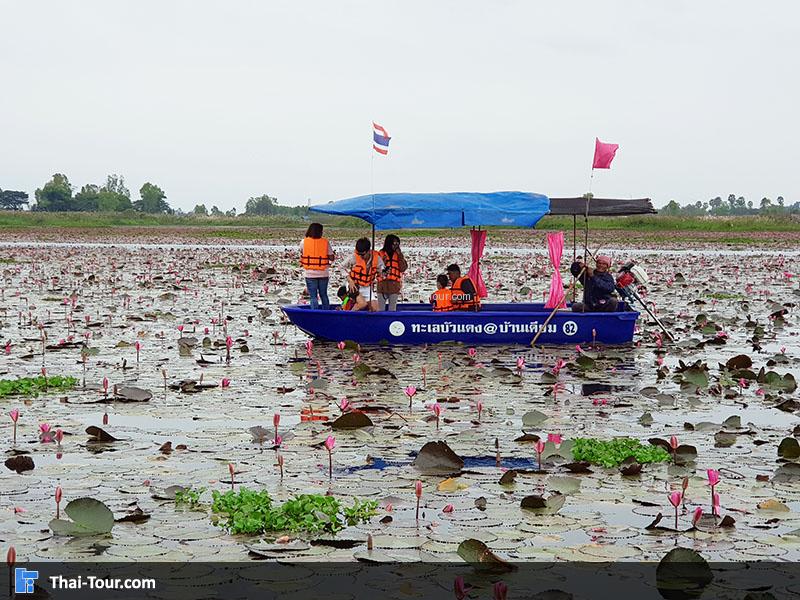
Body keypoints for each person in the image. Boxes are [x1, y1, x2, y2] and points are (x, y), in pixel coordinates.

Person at [341, 237, 385, 311]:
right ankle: (349, 315)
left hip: (366, 286)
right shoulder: (353, 257)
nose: (361, 256)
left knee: (376, 309)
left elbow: (382, 271)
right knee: (362, 304)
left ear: (368, 251)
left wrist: (383, 273)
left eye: (363, 254)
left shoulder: (377, 259)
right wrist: (350, 281)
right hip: (354, 285)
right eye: (359, 254)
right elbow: (341, 267)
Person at [299, 223, 334, 310]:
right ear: (320, 232)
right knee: (324, 295)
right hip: (323, 273)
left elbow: (302, 252)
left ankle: (315, 313)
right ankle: (326, 313)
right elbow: (332, 257)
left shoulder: (303, 242)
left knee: (313, 296)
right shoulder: (325, 242)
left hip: (310, 274)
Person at [376, 234, 408, 311]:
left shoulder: (399, 255)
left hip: (394, 285)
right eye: (395, 243)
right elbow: (376, 268)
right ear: (389, 243)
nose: (396, 246)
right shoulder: (380, 254)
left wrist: (400, 255)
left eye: (398, 244)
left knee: (392, 309)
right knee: (381, 309)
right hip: (382, 285)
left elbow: (403, 268)